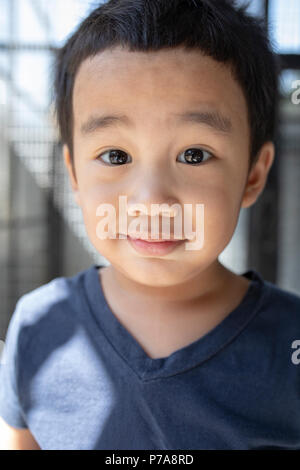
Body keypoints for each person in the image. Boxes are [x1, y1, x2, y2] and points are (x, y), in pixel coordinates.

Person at [0, 0, 299, 450]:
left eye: (194, 155)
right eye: (116, 156)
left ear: (253, 175)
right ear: (75, 174)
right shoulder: (38, 326)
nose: (152, 200)